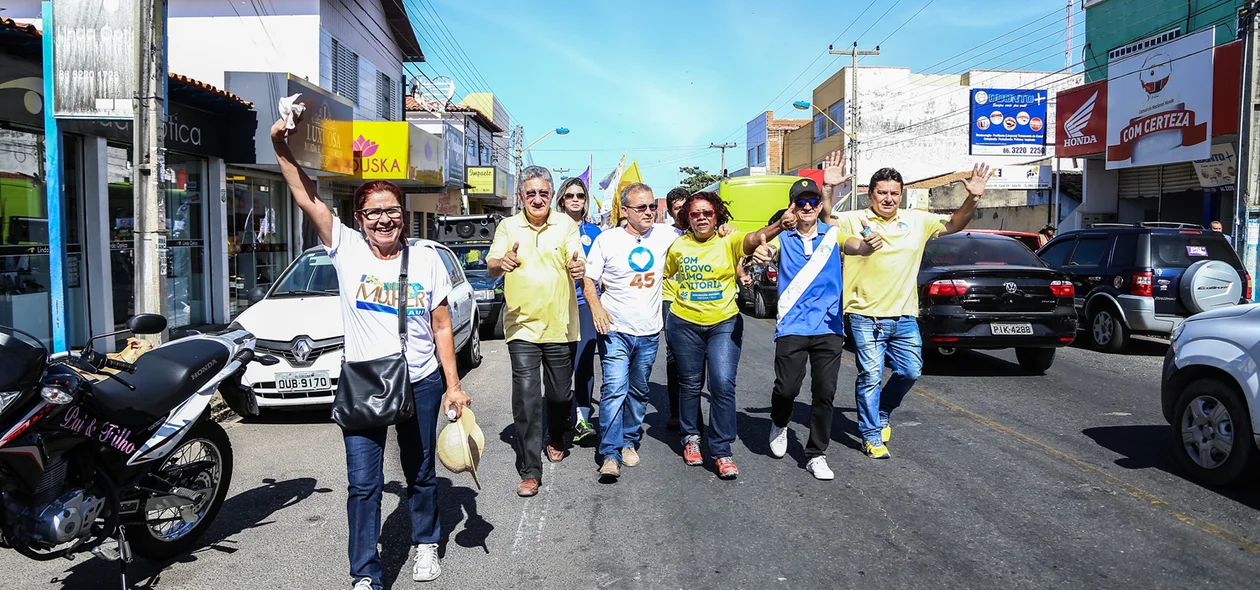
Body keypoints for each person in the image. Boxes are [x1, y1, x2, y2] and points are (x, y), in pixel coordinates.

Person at [271, 110, 470, 589]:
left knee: (420, 472)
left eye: (392, 210)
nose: (385, 219)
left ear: (403, 216)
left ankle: (425, 543)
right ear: (359, 219)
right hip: (363, 382)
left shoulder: (425, 260)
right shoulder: (347, 249)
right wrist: (281, 144)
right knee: (363, 485)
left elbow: (442, 327)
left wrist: (453, 387)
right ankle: (365, 573)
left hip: (419, 381)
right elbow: (304, 193)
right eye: (374, 212)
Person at [831, 163, 992, 459]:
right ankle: (870, 435)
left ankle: (883, 410)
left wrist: (973, 198)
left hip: (904, 315)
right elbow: (824, 218)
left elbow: (954, 224)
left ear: (902, 195)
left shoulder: (917, 221)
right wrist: (829, 188)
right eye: (882, 193)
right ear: (871, 195)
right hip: (864, 315)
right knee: (870, 375)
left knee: (910, 371)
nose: (888, 198)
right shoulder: (854, 219)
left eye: (894, 193)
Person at [751, 178, 881, 480]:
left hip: (829, 328)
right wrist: (762, 254)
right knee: (787, 389)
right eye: (800, 203)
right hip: (792, 327)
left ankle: (816, 454)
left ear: (820, 206)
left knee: (825, 393)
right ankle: (779, 423)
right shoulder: (783, 237)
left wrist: (868, 245)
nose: (807, 207)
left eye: (812, 202)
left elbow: (858, 246)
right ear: (792, 208)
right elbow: (765, 251)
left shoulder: (834, 235)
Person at [664, 192, 785, 479]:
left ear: (717, 215)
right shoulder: (678, 246)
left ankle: (721, 450)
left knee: (721, 383)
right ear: (687, 219)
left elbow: (755, 238)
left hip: (724, 323)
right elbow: (668, 276)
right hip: (684, 323)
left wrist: (781, 224)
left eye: (707, 212)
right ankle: (691, 439)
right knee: (690, 384)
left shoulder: (728, 241)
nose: (701, 217)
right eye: (695, 214)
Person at [487, 166, 586, 498]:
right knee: (527, 398)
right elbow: (490, 267)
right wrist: (502, 263)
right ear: (521, 197)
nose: (538, 198)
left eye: (543, 192)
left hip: (561, 325)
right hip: (521, 327)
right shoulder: (507, 226)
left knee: (559, 395)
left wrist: (577, 268)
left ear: (551, 194)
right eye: (531, 193)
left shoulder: (566, 225)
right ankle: (530, 470)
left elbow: (579, 264)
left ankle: (557, 434)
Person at [583, 183, 679, 478]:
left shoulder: (667, 234)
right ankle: (609, 454)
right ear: (625, 211)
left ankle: (628, 442)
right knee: (613, 390)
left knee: (638, 391)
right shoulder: (607, 240)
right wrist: (597, 309)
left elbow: (701, 238)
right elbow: (589, 279)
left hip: (649, 331)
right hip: (615, 330)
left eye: (652, 206)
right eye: (641, 207)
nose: (649, 212)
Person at [555, 177, 601, 444]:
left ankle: (583, 419)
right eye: (570, 195)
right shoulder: (551, 228)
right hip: (556, 305)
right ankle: (560, 416)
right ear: (561, 199)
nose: (575, 199)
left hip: (585, 305)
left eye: (580, 196)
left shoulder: (595, 233)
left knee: (584, 362)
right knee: (560, 364)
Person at [659, 187, 691, 430]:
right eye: (677, 207)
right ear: (670, 211)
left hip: (698, 301)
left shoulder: (704, 229)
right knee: (675, 356)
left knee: (696, 360)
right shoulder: (661, 234)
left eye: (685, 206)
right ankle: (675, 411)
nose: (682, 212)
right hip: (670, 301)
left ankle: (691, 410)